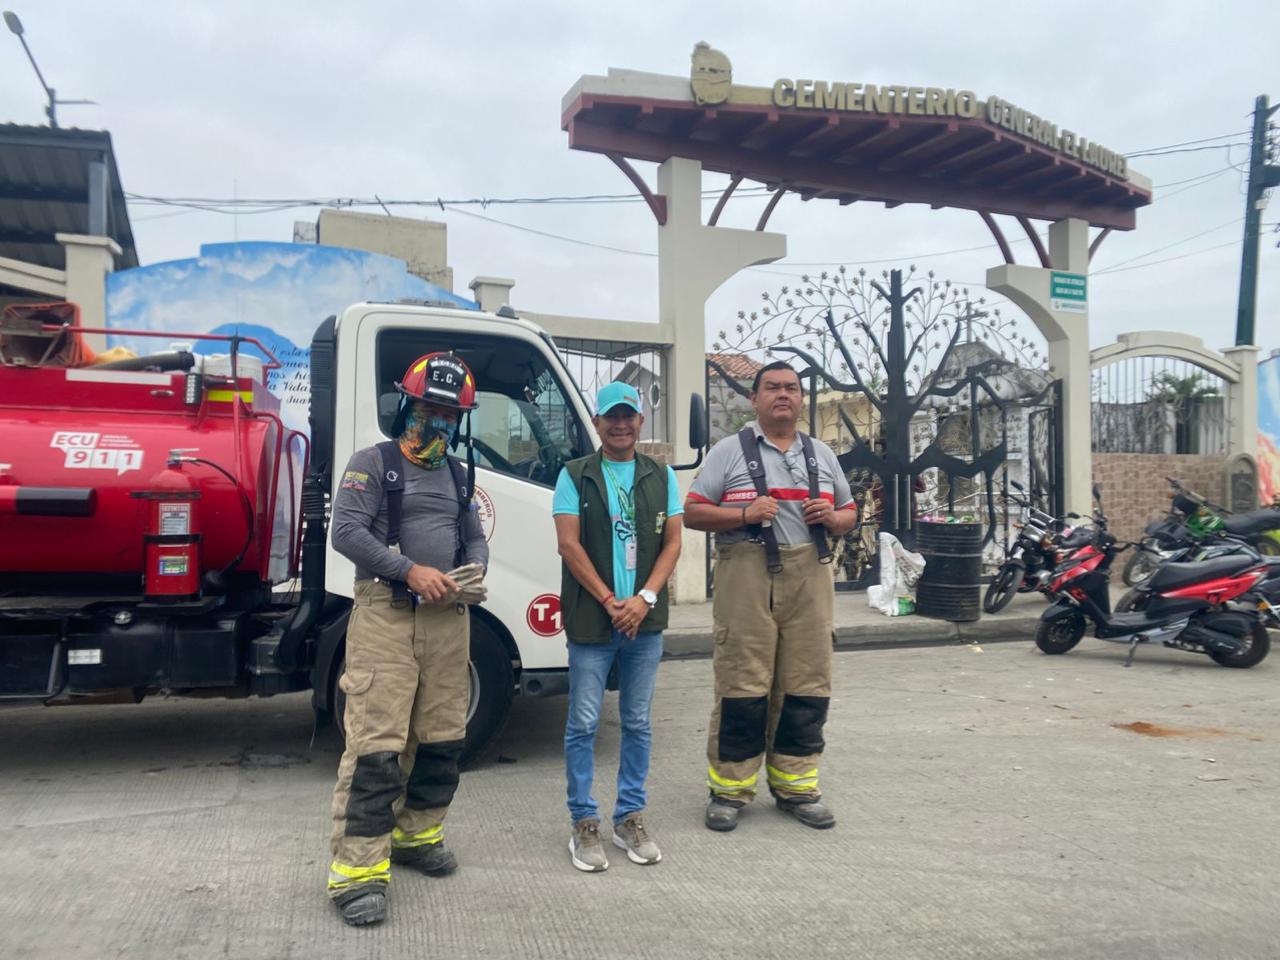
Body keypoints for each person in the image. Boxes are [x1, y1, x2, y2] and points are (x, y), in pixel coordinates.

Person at [324, 352, 488, 926]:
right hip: (386, 615)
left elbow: (474, 537)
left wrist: (475, 569)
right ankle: (358, 873)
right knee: (377, 746)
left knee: (443, 738)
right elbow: (346, 532)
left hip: (449, 620)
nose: (438, 421)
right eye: (428, 409)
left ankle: (418, 835)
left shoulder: (458, 475)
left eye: (450, 414)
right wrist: (408, 570)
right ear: (405, 407)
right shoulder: (372, 463)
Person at [684, 360, 858, 832]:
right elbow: (693, 512)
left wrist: (834, 518)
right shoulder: (727, 452)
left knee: (807, 683)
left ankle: (796, 786)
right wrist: (743, 515)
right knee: (743, 683)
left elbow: (849, 512)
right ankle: (729, 790)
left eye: (791, 388)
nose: (783, 395)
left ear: (801, 399)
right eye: (773, 388)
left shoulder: (822, 454)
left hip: (811, 576)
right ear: (754, 399)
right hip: (746, 574)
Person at [552, 381, 683, 872]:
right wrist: (610, 601)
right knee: (584, 722)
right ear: (597, 423)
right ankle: (584, 822)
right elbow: (569, 545)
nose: (621, 424)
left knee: (638, 722)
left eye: (629, 416)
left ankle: (629, 817)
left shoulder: (660, 476)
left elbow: (673, 542)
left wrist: (644, 599)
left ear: (641, 422)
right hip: (594, 619)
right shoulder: (575, 475)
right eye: (612, 416)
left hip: (643, 622)